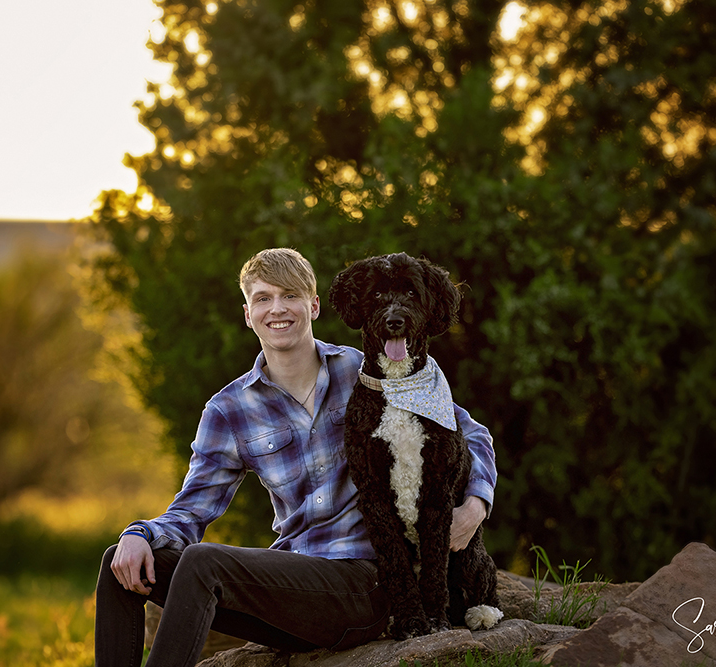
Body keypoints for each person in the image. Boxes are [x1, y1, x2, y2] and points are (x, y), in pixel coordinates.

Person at [94, 248, 497, 667]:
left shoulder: (368, 371)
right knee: (118, 560)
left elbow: (470, 433)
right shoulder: (228, 409)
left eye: (290, 295)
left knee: (203, 561)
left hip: (363, 584)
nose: (277, 309)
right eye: (263, 298)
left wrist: (474, 505)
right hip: (290, 585)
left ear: (314, 305)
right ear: (248, 314)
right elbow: (192, 510)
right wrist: (140, 534)